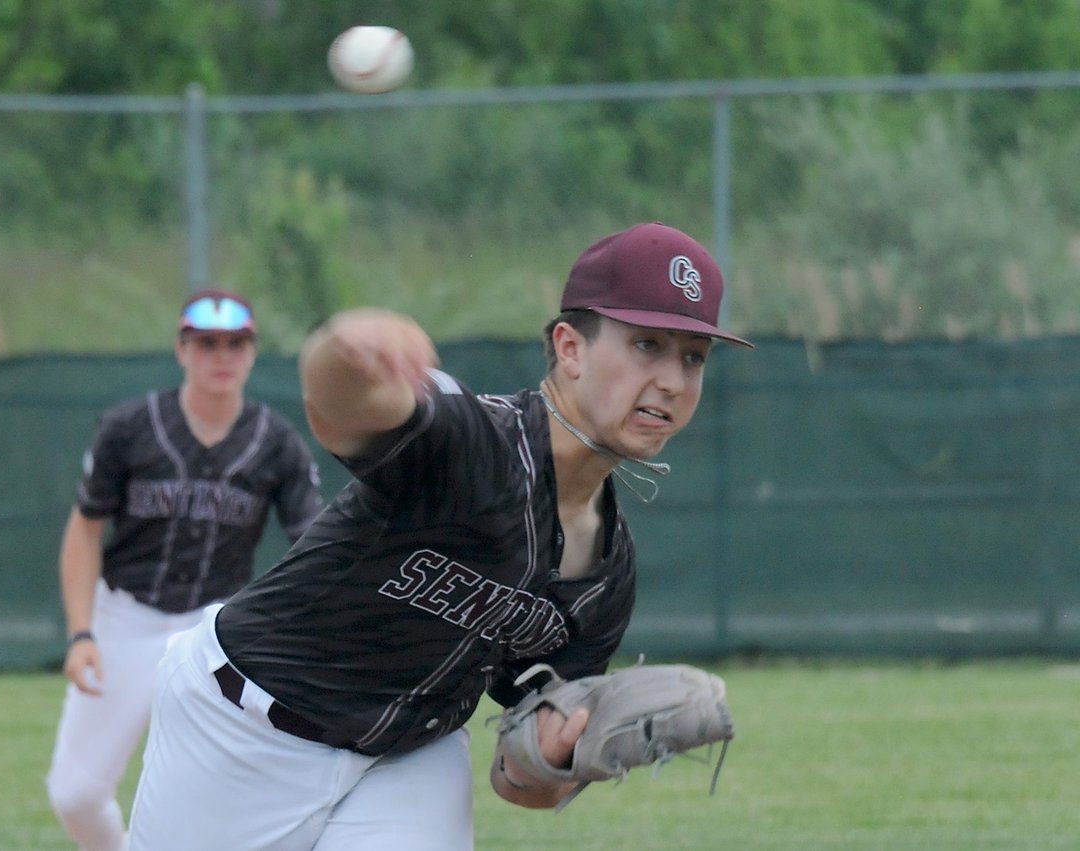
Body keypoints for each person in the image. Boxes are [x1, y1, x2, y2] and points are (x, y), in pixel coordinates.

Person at [126, 222, 753, 850]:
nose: (673, 380)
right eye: (647, 345)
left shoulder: (607, 575)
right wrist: (345, 346)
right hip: (242, 725)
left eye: (692, 356)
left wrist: (561, 753)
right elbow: (340, 408)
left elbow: (521, 783)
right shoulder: (472, 444)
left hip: (411, 759)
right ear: (570, 348)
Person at [46, 288, 324, 851]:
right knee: (75, 794)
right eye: (206, 343)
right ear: (181, 349)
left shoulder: (277, 443)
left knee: (232, 796)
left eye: (235, 343)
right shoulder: (129, 426)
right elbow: (85, 529)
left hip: (214, 630)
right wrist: (81, 633)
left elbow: (313, 544)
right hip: (125, 615)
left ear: (252, 352)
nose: (221, 355)